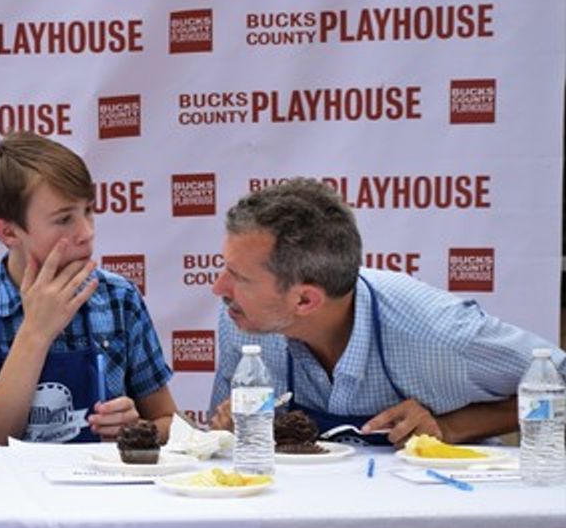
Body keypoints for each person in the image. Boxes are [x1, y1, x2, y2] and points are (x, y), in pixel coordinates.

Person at [208, 177, 565, 445]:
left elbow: (560, 381)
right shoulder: (242, 320)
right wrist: (230, 429)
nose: (219, 288)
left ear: (305, 301)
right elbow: (223, 441)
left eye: (239, 277)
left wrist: (450, 427)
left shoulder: (436, 331)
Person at [0, 132, 178, 445]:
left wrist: (137, 430)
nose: (86, 232)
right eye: (64, 219)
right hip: (11, 479)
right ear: (8, 232)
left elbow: (172, 423)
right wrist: (35, 333)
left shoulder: (120, 298)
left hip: (102, 477)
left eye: (88, 210)